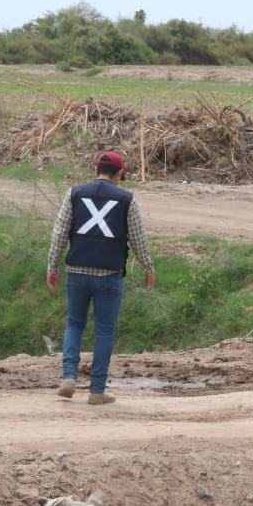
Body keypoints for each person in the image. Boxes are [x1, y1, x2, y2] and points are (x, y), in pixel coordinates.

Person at [46, 150, 156, 406]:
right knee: (104, 330)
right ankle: (96, 391)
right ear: (119, 174)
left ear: (96, 170)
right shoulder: (126, 199)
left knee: (74, 324)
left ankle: (69, 377)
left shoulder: (74, 194)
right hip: (109, 274)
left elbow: (59, 233)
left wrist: (52, 266)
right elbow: (138, 238)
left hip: (76, 271)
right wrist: (148, 268)